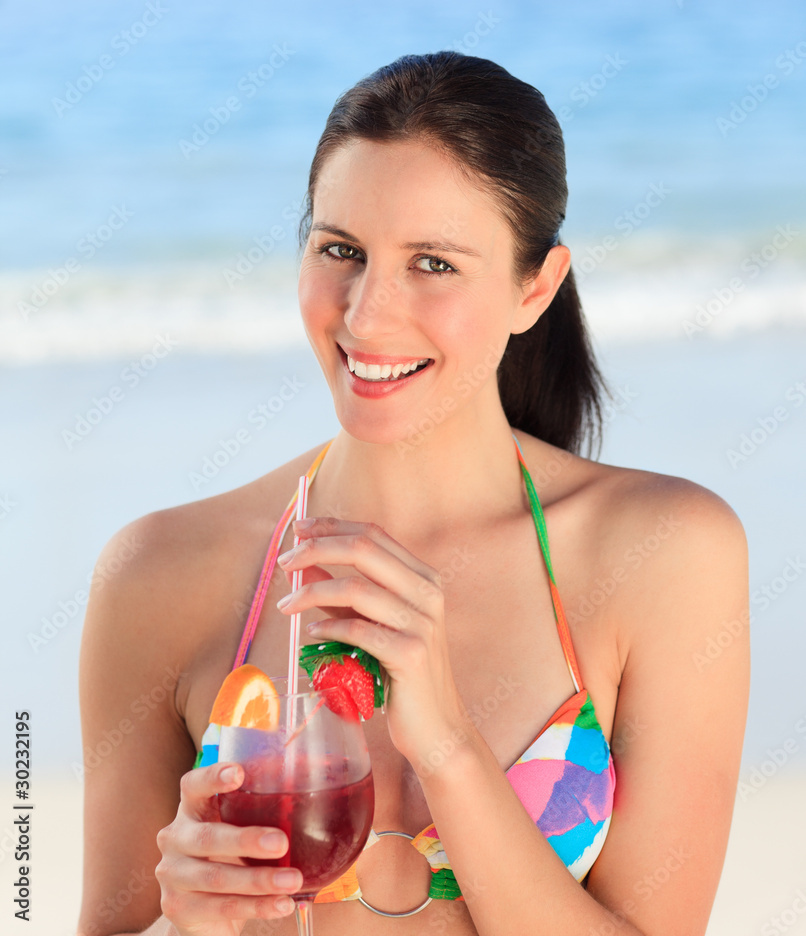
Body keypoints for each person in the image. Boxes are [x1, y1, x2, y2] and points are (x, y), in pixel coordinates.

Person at [77, 52, 749, 936]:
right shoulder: (157, 573)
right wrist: (183, 925)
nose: (365, 315)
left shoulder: (666, 555)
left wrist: (447, 744)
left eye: (433, 263)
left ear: (534, 287)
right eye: (341, 250)